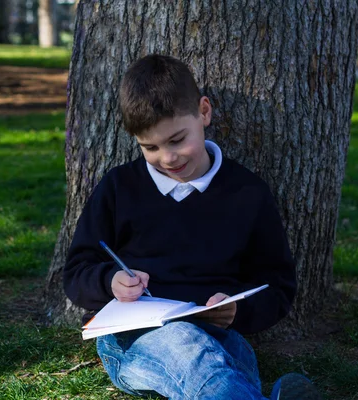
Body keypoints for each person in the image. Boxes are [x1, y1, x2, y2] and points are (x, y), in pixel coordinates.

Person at [63, 54, 320, 400]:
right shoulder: (119, 188)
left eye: (177, 139)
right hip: (136, 337)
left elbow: (277, 284)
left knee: (213, 366)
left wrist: (237, 310)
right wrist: (111, 280)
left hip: (222, 335)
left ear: (204, 112)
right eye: (149, 147)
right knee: (191, 352)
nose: (168, 158)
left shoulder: (247, 193)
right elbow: (77, 271)